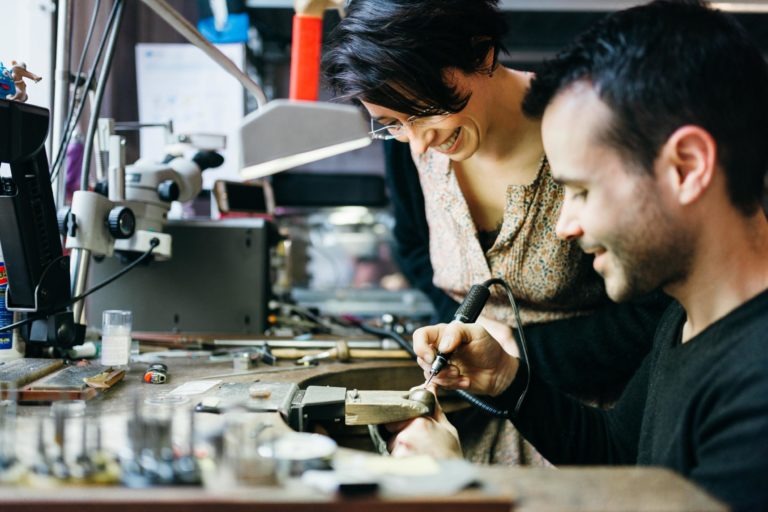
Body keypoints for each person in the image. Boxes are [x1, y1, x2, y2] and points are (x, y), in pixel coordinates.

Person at [392, 1, 768, 509]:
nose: (565, 226)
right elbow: (616, 452)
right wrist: (506, 379)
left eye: (583, 191)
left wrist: (453, 486)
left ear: (687, 167)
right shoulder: (685, 319)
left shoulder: (756, 384)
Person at [323, 0, 669, 464]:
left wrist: (519, 354)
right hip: (468, 414)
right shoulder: (412, 139)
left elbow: (659, 313)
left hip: (585, 429)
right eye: (392, 124)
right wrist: (461, 329)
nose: (420, 142)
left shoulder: (583, 125)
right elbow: (411, 246)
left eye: (424, 110)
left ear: (481, 53)